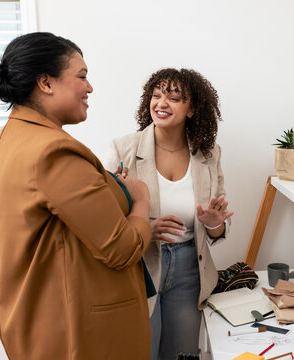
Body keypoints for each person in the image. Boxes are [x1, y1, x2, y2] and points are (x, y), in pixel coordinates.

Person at [0, 32, 154, 359]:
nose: (89, 87)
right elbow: (121, 248)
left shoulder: (4, 141)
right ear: (46, 83)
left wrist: (110, 188)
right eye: (82, 76)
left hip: (40, 325)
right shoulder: (53, 152)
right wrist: (141, 199)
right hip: (81, 335)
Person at [104, 68, 234, 359]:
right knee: (139, 351)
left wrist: (215, 225)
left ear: (192, 109)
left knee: (183, 354)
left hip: (190, 267)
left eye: (174, 97)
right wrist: (146, 227)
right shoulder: (123, 148)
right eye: (156, 95)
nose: (161, 103)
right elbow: (107, 221)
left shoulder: (210, 153)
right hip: (139, 266)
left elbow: (219, 222)